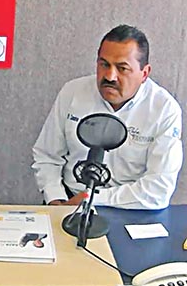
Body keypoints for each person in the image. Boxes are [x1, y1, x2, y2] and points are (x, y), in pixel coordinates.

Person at [32, 24, 183, 210]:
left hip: (130, 207)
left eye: (122, 68)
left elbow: (158, 189)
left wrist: (91, 198)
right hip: (68, 201)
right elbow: (47, 155)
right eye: (104, 64)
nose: (110, 76)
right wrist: (55, 200)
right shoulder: (72, 92)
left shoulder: (164, 110)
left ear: (144, 73)